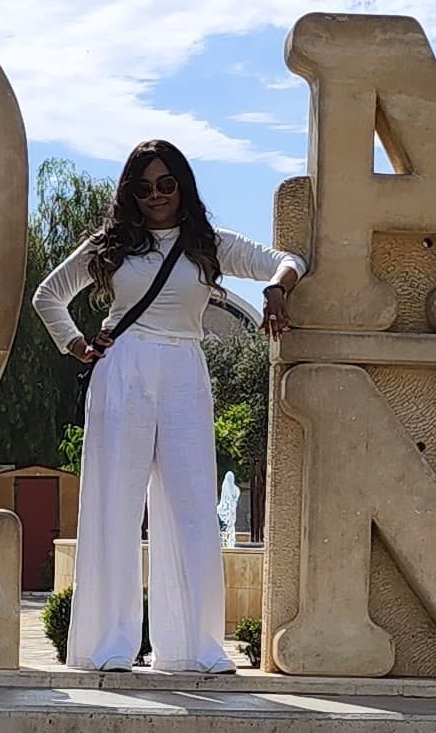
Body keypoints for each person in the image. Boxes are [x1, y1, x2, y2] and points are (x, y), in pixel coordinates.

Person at [36, 141, 300, 674]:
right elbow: (49, 295)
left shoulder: (209, 245)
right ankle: (111, 646)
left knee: (193, 504)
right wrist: (76, 344)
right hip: (123, 368)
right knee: (116, 503)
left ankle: (194, 648)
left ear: (182, 185)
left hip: (184, 368)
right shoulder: (109, 246)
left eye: (166, 184)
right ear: (130, 193)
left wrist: (276, 289)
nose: (156, 196)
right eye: (144, 187)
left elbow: (288, 260)